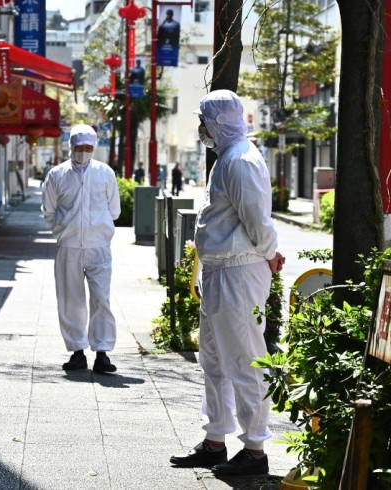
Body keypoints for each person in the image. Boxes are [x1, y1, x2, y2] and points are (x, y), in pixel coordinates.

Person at [169, 90, 285, 476]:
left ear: (217, 122)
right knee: (215, 360)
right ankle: (215, 439)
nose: (201, 128)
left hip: (238, 272)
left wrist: (271, 252)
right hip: (222, 271)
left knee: (245, 360)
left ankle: (255, 450)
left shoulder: (239, 160)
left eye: (204, 121)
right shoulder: (228, 158)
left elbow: (256, 218)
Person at [41, 124, 121, 374]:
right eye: (79, 147)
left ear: (94, 147)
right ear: (71, 147)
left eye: (88, 148)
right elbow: (48, 210)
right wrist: (63, 231)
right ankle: (77, 352)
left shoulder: (105, 173)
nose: (83, 152)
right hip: (69, 246)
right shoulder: (57, 175)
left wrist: (101, 229)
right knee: (70, 300)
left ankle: (102, 353)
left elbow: (114, 209)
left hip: (99, 246)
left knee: (102, 299)